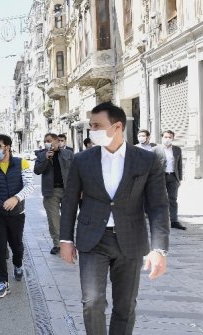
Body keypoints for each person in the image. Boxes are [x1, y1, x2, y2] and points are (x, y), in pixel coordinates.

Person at [60, 102, 169, 335]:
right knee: (92, 302)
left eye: (97, 126)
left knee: (126, 305)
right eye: (91, 126)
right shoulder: (82, 160)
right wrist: (65, 240)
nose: (92, 131)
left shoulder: (146, 160)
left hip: (130, 241)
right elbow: (69, 201)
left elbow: (158, 206)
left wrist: (159, 249)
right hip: (92, 240)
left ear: (117, 126)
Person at [0, 134, 34, 298]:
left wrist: (16, 198)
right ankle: (2, 282)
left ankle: (18, 264)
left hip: (17, 213)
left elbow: (30, 186)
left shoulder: (21, 163)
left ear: (8, 147)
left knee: (16, 245)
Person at [34, 133, 73, 255]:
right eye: (45, 141)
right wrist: (46, 158)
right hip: (50, 192)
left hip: (67, 191)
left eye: (49, 141)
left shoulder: (68, 154)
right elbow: (37, 171)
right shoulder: (41, 155)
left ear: (57, 141)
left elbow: (76, 172)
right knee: (53, 220)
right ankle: (57, 244)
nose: (47, 143)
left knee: (68, 219)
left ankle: (69, 243)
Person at [154, 130, 185, 230]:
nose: (167, 139)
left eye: (170, 137)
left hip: (173, 177)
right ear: (162, 137)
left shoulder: (177, 149)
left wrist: (179, 178)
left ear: (172, 138)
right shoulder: (155, 149)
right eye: (166, 137)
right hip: (159, 178)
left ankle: (174, 221)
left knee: (173, 199)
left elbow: (179, 164)